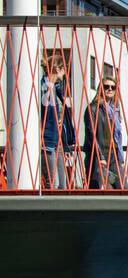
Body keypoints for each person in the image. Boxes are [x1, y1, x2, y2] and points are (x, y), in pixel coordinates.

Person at [40, 53, 77, 189]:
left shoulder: (56, 89)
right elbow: (42, 115)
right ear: (57, 69)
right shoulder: (44, 88)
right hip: (48, 142)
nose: (65, 72)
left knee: (63, 185)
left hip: (58, 143)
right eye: (64, 68)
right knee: (53, 183)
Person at [82, 74, 125, 190]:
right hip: (98, 156)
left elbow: (117, 136)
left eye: (113, 87)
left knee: (122, 187)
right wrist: (100, 156)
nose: (110, 89)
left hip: (113, 157)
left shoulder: (115, 111)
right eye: (106, 86)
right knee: (95, 188)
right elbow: (91, 134)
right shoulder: (93, 108)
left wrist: (120, 159)